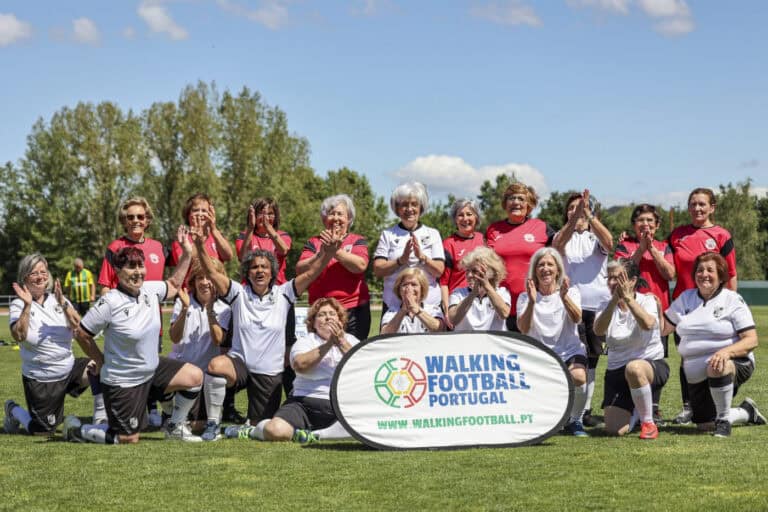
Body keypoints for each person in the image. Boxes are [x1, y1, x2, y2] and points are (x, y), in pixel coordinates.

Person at [195, 223, 336, 442]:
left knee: (261, 427)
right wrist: (198, 244)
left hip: (269, 372)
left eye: (264, 267)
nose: (259, 270)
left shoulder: (285, 293)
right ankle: (213, 424)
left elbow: (311, 272)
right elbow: (212, 272)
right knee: (215, 366)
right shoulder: (237, 293)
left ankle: (240, 429)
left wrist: (329, 253)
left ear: (272, 272)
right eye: (254, 267)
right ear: (247, 273)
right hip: (239, 364)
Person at [63, 227, 205, 444]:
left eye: (140, 265)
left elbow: (175, 284)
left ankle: (175, 426)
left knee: (195, 376)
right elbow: (81, 333)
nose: (138, 272)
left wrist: (186, 252)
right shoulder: (110, 302)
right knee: (128, 438)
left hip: (152, 370)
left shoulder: (150, 290)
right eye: (131, 267)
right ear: (118, 272)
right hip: (123, 381)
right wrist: (101, 361)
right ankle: (76, 431)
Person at [226, 298, 360, 443]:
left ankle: (316, 435)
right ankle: (252, 431)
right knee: (275, 431)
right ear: (313, 323)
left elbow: (363, 366)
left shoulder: (351, 341)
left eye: (332, 314)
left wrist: (341, 343)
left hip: (342, 405)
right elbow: (300, 365)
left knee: (364, 426)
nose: (327, 317)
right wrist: (328, 345)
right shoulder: (306, 341)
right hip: (303, 403)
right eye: (321, 315)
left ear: (340, 320)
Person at [662, 253, 764, 437]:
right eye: (700, 270)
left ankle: (724, 422)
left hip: (732, 362)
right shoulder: (686, 298)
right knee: (705, 424)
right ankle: (746, 411)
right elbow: (663, 328)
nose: (704, 274)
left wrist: (726, 352)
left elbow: (751, 340)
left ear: (721, 275)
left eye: (710, 270)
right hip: (694, 375)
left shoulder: (732, 299)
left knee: (716, 365)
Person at [668, 188, 737, 424]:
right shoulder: (677, 235)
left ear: (712, 207)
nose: (697, 209)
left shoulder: (721, 235)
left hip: (715, 309)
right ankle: (689, 408)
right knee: (688, 357)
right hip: (685, 308)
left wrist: (730, 307)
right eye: (693, 204)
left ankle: (721, 407)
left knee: (716, 357)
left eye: (702, 204)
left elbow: (731, 274)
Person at [3, 254, 93, 436]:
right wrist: (27, 306)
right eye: (34, 273)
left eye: (43, 272)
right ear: (24, 277)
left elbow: (79, 326)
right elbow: (19, 335)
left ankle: (101, 418)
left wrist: (63, 304)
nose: (40, 276)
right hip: (41, 378)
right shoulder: (18, 304)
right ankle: (13, 409)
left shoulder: (58, 299)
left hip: (68, 369)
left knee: (101, 366)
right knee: (43, 431)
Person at [97, 196, 167, 426]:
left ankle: (153, 408)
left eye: (140, 216)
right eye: (130, 217)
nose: (136, 220)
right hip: (125, 326)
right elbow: (106, 286)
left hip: (152, 324)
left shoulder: (158, 247)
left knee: (151, 364)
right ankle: (113, 411)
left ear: (147, 220)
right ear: (124, 221)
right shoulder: (115, 248)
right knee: (127, 369)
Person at [553, 190, 613, 427]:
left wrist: (589, 215)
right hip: (571, 307)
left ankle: (584, 411)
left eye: (581, 207)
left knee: (592, 360)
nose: (576, 211)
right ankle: (566, 409)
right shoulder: (562, 235)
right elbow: (558, 245)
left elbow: (609, 243)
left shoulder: (594, 236)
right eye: (571, 207)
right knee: (573, 358)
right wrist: (574, 217)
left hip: (597, 307)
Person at [516, 247, 589, 436]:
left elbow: (577, 318)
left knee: (579, 377)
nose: (545, 269)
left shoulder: (570, 292)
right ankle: (551, 419)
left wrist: (564, 298)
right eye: (541, 265)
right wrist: (532, 302)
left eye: (550, 264)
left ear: (558, 269)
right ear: (534, 270)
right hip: (539, 356)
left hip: (569, 351)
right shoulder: (525, 297)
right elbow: (523, 328)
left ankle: (576, 420)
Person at [594, 260, 668, 439]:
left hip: (649, 367)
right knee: (614, 430)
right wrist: (613, 302)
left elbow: (648, 324)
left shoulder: (647, 300)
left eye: (617, 278)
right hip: (616, 372)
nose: (612, 283)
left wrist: (628, 299)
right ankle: (637, 408)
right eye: (609, 278)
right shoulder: (604, 304)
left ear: (632, 281)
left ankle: (648, 423)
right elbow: (598, 330)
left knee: (634, 368)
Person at [614, 203, 676, 422]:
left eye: (650, 221)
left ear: (657, 225)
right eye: (641, 220)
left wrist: (652, 250)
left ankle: (654, 407)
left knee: (655, 357)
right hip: (630, 308)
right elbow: (623, 270)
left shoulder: (664, 246)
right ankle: (629, 403)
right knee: (631, 354)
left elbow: (669, 273)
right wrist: (640, 248)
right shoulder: (624, 245)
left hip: (657, 311)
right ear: (633, 224)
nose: (646, 224)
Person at [235, 197, 295, 400]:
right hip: (250, 303)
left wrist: (269, 229)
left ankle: (292, 397)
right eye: (262, 213)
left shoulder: (283, 235)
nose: (266, 217)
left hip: (279, 301)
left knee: (287, 350)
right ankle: (230, 404)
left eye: (270, 213)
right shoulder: (245, 236)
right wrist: (251, 229)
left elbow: (284, 249)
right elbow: (242, 256)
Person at [168, 258, 232, 432]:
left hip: (205, 378)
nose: (204, 282)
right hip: (180, 373)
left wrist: (210, 310)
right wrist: (184, 310)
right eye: (199, 277)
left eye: (209, 277)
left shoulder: (224, 308)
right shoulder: (183, 300)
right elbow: (174, 338)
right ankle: (168, 411)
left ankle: (173, 418)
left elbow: (218, 339)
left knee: (199, 426)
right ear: (193, 281)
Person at [296, 194, 371, 341]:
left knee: (352, 355)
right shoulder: (313, 243)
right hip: (321, 311)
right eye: (331, 214)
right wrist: (322, 253)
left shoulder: (356, 240)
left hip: (353, 310)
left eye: (340, 214)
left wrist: (335, 250)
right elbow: (300, 269)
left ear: (349, 219)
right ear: (324, 219)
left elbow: (360, 265)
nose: (336, 218)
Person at [486, 182, 555, 332]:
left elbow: (558, 255)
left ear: (529, 204)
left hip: (534, 303)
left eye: (521, 199)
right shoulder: (493, 229)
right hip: (502, 305)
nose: (516, 202)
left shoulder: (541, 227)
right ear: (505, 204)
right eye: (511, 198)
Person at [373, 182, 445, 318]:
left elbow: (439, 270)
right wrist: (400, 261)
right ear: (397, 208)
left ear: (421, 207)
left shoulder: (433, 233)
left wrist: (422, 257)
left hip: (429, 305)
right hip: (394, 305)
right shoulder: (387, 234)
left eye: (414, 204)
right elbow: (378, 269)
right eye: (404, 205)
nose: (409, 209)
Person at [439, 198, 485, 328]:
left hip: (480, 305)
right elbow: (443, 283)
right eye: (460, 215)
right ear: (455, 219)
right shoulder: (448, 244)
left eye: (469, 214)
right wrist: (447, 312)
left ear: (476, 217)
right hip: (458, 304)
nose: (465, 218)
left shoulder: (483, 240)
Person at [448, 247, 510, 332]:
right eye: (467, 271)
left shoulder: (501, 292)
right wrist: (473, 294)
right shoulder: (458, 293)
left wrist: (487, 286)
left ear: (490, 272)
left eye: (474, 271)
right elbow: (453, 320)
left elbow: (504, 313)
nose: (469, 275)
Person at [169, 193, 233, 268]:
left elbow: (228, 256)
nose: (200, 214)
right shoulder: (181, 238)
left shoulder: (216, 236)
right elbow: (182, 263)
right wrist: (199, 241)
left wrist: (214, 229)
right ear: (188, 214)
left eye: (204, 211)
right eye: (196, 210)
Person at [380, 268, 445, 334]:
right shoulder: (392, 312)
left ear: (422, 289)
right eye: (405, 285)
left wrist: (417, 310)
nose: (409, 289)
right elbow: (384, 334)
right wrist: (403, 311)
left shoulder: (433, 309)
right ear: (399, 290)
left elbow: (439, 329)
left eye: (414, 284)